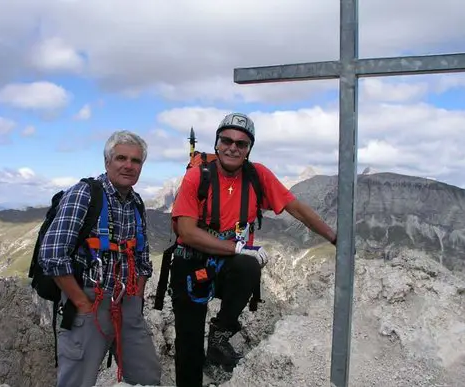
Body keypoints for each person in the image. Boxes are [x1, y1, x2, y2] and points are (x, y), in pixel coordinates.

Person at [169, 113, 337, 387]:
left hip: (228, 267)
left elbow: (295, 208)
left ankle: (221, 332)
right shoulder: (196, 178)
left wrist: (333, 237)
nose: (233, 147)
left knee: (249, 266)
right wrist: (236, 247)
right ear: (217, 143)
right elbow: (186, 231)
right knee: (188, 339)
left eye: (241, 143)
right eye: (227, 140)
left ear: (249, 149)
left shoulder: (257, 175)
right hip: (192, 264)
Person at [39, 130, 162, 387]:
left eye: (136, 161)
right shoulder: (84, 194)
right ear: (107, 162)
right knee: (76, 382)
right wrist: (81, 303)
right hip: (88, 302)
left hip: (126, 303)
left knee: (147, 377)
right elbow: (51, 254)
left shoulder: (136, 203)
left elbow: (142, 258)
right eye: (121, 158)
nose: (128, 165)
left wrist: (136, 299)